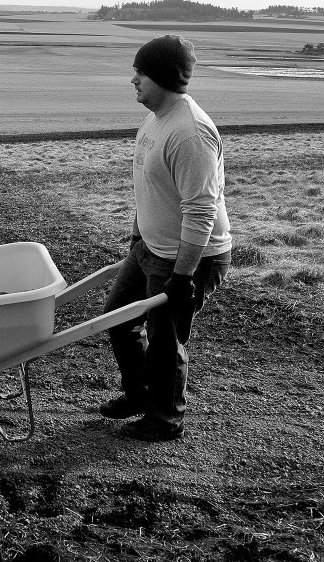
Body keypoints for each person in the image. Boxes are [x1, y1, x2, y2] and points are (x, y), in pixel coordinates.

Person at [100, 35, 232, 441]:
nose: (133, 80)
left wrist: (183, 277)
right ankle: (139, 396)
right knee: (119, 320)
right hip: (150, 247)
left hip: (187, 257)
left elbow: (200, 210)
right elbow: (149, 184)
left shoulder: (190, 132)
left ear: (161, 76)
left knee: (165, 340)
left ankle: (165, 419)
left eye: (140, 72)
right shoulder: (157, 118)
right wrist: (138, 234)